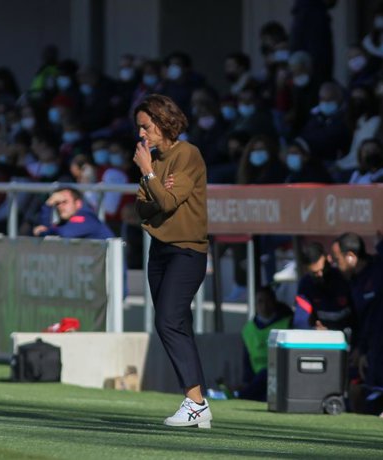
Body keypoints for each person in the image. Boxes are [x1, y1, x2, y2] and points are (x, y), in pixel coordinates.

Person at [133, 94, 211, 428]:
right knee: (175, 323)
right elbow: (142, 208)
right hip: (160, 250)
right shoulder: (156, 161)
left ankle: (195, 402)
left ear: (164, 122)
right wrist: (154, 184)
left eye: (146, 127)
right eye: (139, 128)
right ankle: (199, 405)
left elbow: (165, 202)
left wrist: (149, 175)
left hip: (187, 251)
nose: (142, 135)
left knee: (167, 321)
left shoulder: (187, 154)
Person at [330, 232, 383, 413]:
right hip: (373, 353)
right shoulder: (354, 282)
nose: (335, 265)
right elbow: (363, 320)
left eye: (337, 260)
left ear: (351, 257)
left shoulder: (381, 268)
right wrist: (362, 349)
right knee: (366, 400)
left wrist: (382, 248)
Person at [237, 286, 292, 401]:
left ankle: (243, 395)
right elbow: (247, 360)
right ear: (255, 304)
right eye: (260, 301)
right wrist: (246, 381)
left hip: (280, 374)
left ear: (274, 302)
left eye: (268, 301)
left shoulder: (287, 323)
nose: (264, 305)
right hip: (258, 377)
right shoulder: (248, 329)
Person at [293, 241, 355, 340]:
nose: (321, 274)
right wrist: (313, 330)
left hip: (350, 335)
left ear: (328, 259)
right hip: (322, 338)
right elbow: (301, 320)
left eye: (323, 269)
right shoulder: (305, 284)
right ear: (307, 270)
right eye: (315, 273)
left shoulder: (343, 277)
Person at [33, 187, 113, 239]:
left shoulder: (86, 217)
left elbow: (66, 233)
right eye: (57, 203)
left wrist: (45, 232)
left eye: (65, 202)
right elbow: (47, 232)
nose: (60, 206)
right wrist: (49, 205)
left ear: (78, 204)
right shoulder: (65, 223)